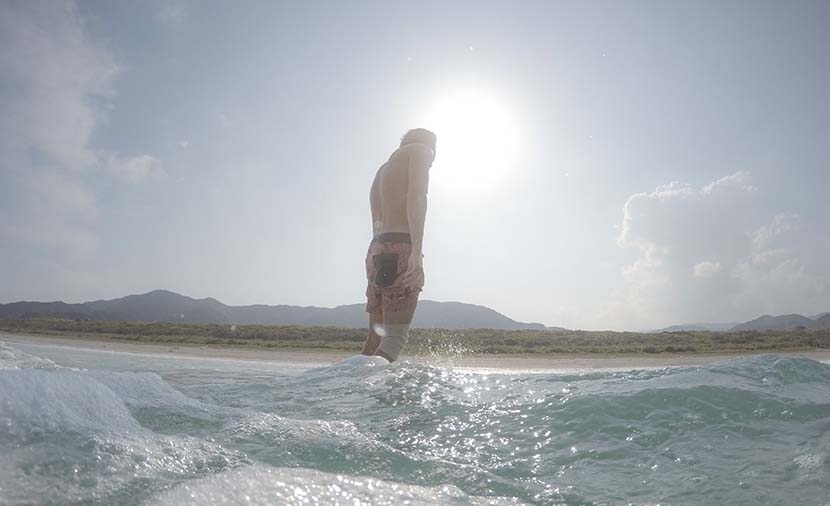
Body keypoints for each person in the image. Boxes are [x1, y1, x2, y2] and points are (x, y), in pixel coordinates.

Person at [361, 128, 436, 362]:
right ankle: (370, 395)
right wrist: (415, 250)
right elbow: (417, 196)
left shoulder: (381, 170)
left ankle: (351, 392)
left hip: (376, 249)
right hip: (401, 246)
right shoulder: (421, 150)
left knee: (374, 339)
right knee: (393, 340)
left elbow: (376, 220)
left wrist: (381, 252)